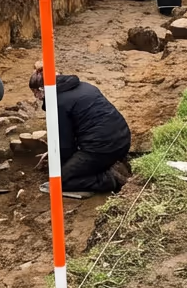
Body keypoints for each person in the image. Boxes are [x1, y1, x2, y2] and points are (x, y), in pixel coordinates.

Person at [29, 64, 131, 194]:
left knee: (60, 182)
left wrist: (62, 167)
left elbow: (65, 144)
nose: (36, 97)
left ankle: (107, 180)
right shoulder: (84, 86)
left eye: (36, 93)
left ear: (42, 89)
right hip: (122, 140)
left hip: (102, 149)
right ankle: (104, 166)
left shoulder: (58, 103)